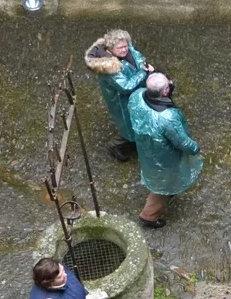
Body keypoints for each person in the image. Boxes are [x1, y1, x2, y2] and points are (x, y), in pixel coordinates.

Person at [127, 73, 201, 229]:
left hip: (145, 148)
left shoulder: (137, 96)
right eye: (168, 85)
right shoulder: (167, 117)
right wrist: (194, 148)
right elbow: (181, 141)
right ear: (165, 92)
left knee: (156, 176)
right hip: (164, 157)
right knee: (164, 185)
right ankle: (149, 215)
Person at [85, 29, 154, 162]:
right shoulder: (109, 68)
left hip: (134, 95)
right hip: (121, 101)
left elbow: (137, 56)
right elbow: (125, 86)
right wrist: (143, 73)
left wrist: (142, 64)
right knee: (128, 126)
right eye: (120, 48)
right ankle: (114, 146)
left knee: (137, 120)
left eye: (125, 46)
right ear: (110, 49)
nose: (124, 50)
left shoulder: (126, 49)